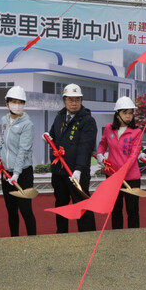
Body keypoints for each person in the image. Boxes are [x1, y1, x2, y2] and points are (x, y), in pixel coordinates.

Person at [43, 83, 96, 233]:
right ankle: (61, 234)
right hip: (59, 171)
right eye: (70, 99)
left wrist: (78, 170)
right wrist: (47, 136)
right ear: (64, 100)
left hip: (77, 174)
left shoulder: (87, 120)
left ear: (81, 100)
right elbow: (53, 133)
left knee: (81, 204)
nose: (74, 103)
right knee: (61, 204)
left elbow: (85, 148)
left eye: (77, 99)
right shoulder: (60, 116)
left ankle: (88, 235)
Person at [0, 86, 36, 236]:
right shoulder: (4, 119)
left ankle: (32, 240)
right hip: (6, 172)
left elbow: (23, 150)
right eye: (13, 102)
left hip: (22, 173)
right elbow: (2, 139)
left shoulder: (27, 125)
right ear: (7, 103)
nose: (17, 105)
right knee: (11, 210)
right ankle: (14, 240)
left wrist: (16, 173)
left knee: (25, 210)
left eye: (20, 102)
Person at [96, 96, 142, 229]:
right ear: (117, 114)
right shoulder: (109, 128)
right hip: (112, 176)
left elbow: (134, 155)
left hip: (131, 177)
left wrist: (122, 171)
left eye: (131, 113)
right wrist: (100, 154)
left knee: (132, 210)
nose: (128, 116)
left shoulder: (136, 132)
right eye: (125, 113)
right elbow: (102, 144)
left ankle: (134, 238)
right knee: (116, 210)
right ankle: (117, 238)